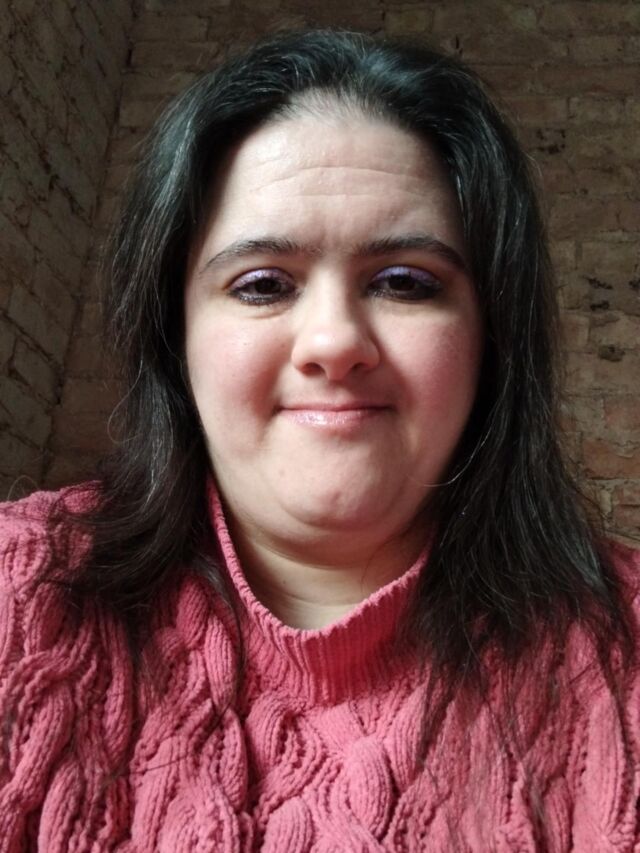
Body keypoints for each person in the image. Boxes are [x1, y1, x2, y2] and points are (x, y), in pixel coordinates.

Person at [0, 29, 638, 852]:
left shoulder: (620, 653)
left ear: (492, 335)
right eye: (263, 284)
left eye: (404, 282)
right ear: (176, 334)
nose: (334, 341)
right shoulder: (20, 596)